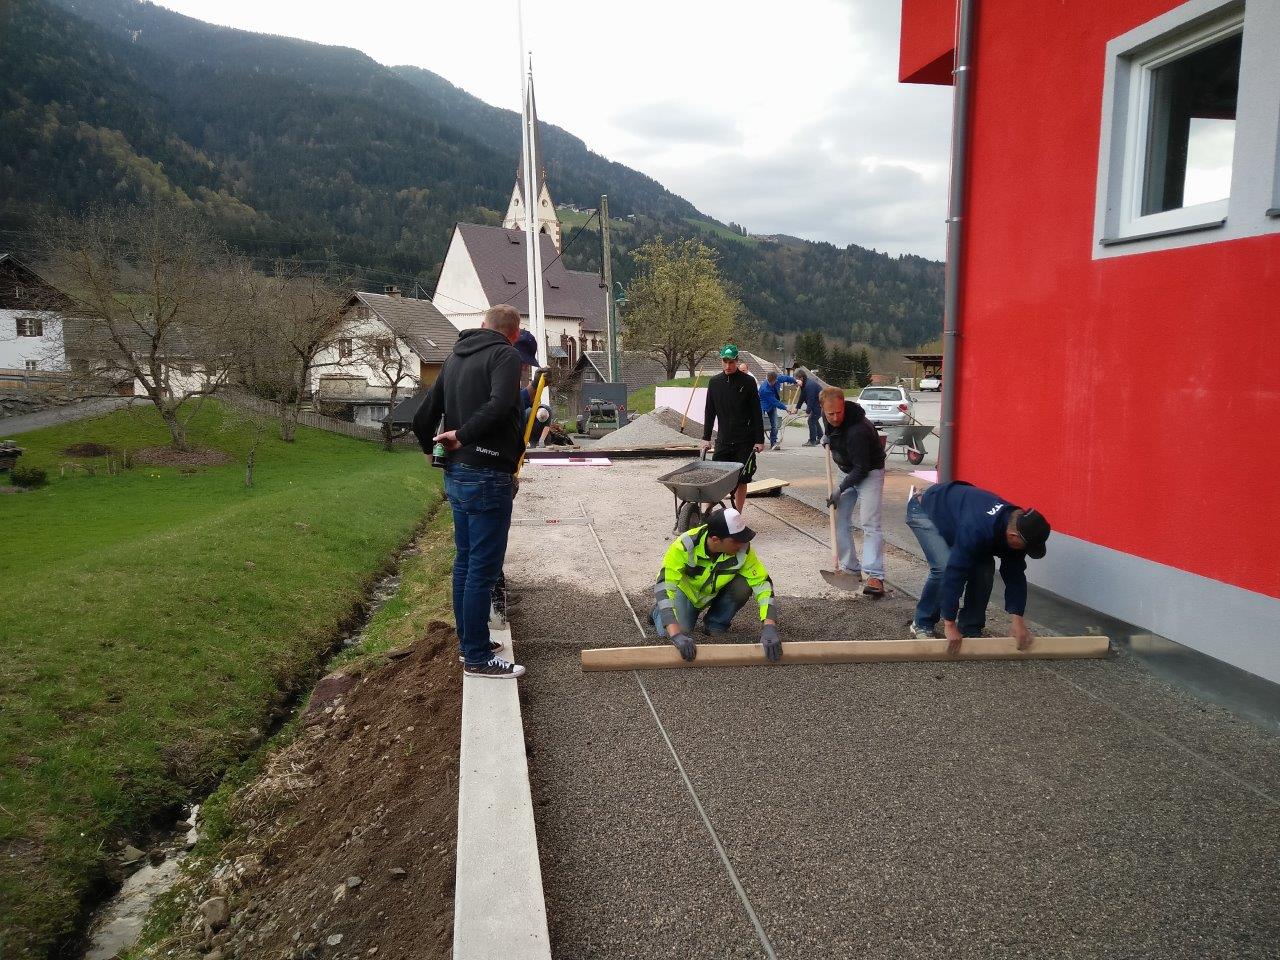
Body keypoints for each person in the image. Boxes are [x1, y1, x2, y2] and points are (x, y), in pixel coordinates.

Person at [413, 304, 527, 679]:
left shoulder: (453, 358)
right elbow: (498, 406)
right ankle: (477, 658)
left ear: (482, 326)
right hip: (488, 473)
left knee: (465, 562)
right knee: (482, 567)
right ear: (514, 332)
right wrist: (462, 436)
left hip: (457, 475)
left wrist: (431, 448)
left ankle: (469, 643)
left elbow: (423, 416)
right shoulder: (505, 356)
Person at [905, 481, 1051, 654]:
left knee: (984, 568)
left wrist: (1017, 619)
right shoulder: (977, 528)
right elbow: (955, 573)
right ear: (1013, 536)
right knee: (944, 567)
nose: (1026, 552)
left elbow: (1015, 576)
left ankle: (970, 628)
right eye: (1027, 547)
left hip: (957, 517)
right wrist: (949, 623)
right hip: (924, 510)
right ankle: (922, 622)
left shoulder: (1016, 528)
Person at [651, 507, 781, 662]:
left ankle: (715, 624)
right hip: (686, 594)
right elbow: (664, 587)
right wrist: (676, 634)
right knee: (674, 635)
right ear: (715, 539)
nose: (741, 544)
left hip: (713, 594)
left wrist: (769, 626)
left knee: (743, 585)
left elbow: (763, 583)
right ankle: (657, 611)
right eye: (735, 540)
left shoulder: (743, 549)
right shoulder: (685, 545)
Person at [819, 386, 886, 596]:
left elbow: (862, 468)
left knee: (870, 522)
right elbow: (832, 432)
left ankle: (875, 576)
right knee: (838, 519)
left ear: (843, 406)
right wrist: (826, 439)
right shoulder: (827, 415)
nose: (836, 417)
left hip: (870, 472)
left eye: (839, 412)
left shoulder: (858, 430)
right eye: (831, 413)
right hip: (847, 470)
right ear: (823, 408)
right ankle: (850, 568)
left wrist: (840, 488)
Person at [699, 344, 765, 512]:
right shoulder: (715, 383)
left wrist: (759, 440)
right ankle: (707, 513)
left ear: (737, 361)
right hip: (724, 439)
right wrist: (706, 437)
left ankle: (737, 514)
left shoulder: (748, 382)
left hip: (744, 440)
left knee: (742, 479)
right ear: (721, 361)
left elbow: (756, 412)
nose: (728, 366)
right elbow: (709, 411)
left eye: (731, 362)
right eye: (725, 361)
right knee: (716, 477)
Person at [758, 370, 798, 450]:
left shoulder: (777, 379)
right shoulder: (764, 389)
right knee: (760, 425)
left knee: (775, 424)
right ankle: (759, 442)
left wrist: (796, 381)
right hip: (763, 405)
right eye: (771, 382)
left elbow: (786, 378)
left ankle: (773, 443)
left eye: (774, 381)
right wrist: (786, 408)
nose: (773, 383)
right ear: (769, 380)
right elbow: (775, 402)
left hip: (772, 405)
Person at [793, 369, 823, 446]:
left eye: (797, 379)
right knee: (814, 419)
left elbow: (811, 399)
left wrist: (807, 411)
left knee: (811, 420)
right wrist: (797, 407)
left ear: (801, 378)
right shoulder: (804, 384)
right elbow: (802, 396)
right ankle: (820, 436)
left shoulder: (809, 386)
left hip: (820, 405)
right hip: (816, 405)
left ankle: (812, 441)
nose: (796, 381)